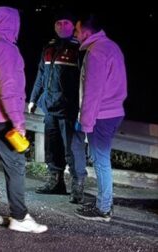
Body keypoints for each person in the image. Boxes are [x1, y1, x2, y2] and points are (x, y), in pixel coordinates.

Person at [0, 6, 47, 233]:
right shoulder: (6, 50)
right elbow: (10, 92)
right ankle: (19, 217)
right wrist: (19, 123)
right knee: (16, 165)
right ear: (11, 23)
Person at [73, 15, 126, 222]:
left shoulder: (95, 53)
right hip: (114, 112)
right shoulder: (112, 46)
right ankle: (105, 204)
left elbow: (92, 92)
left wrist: (85, 122)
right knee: (103, 159)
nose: (75, 35)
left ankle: (103, 208)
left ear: (86, 32)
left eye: (77, 31)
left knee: (100, 161)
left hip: (102, 115)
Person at [27, 14, 83, 201]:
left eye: (66, 22)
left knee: (72, 150)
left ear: (73, 25)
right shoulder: (49, 47)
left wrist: (82, 106)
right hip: (49, 107)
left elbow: (85, 81)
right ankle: (56, 182)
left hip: (69, 109)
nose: (61, 25)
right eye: (58, 22)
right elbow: (41, 75)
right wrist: (33, 99)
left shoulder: (78, 49)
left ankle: (77, 187)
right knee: (53, 148)